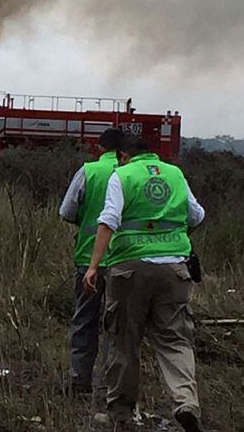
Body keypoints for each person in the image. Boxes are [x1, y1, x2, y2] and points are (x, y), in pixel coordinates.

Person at [83, 134, 206, 431]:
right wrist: (174, 239)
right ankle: (186, 402)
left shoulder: (122, 175)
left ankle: (121, 414)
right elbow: (198, 215)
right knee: (175, 340)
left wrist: (93, 266)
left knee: (123, 340)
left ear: (124, 155)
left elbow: (108, 220)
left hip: (130, 270)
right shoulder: (174, 173)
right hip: (175, 269)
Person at [59, 128, 124, 395]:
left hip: (88, 259)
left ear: (99, 148)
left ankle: (78, 382)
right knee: (116, 325)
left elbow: (67, 211)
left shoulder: (88, 171)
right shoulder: (130, 175)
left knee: (84, 320)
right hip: (123, 260)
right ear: (124, 151)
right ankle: (110, 386)